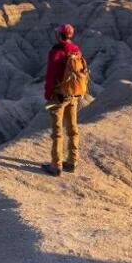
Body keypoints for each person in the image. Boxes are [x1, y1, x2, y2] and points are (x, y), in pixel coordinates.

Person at [41, 24, 83, 177]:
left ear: (59, 35)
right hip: (74, 95)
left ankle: (56, 165)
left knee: (57, 132)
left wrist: (48, 94)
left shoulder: (56, 51)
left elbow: (51, 76)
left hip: (58, 96)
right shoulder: (76, 49)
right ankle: (72, 162)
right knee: (72, 129)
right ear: (70, 35)